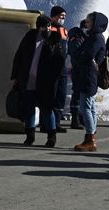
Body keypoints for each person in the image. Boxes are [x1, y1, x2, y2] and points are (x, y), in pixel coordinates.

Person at [11, 14, 68, 147]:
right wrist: (15, 76)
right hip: (28, 78)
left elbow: (60, 60)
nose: (47, 28)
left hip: (45, 81)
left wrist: (54, 79)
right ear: (38, 27)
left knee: (47, 109)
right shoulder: (30, 37)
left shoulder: (55, 39)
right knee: (29, 108)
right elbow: (19, 56)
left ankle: (51, 136)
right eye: (44, 26)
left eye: (49, 26)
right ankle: (30, 136)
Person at [71, 12, 108, 152]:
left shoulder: (96, 38)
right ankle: (92, 134)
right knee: (90, 106)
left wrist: (79, 55)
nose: (86, 23)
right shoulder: (93, 37)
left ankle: (90, 138)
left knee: (85, 107)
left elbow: (87, 55)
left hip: (88, 76)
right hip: (88, 75)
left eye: (89, 21)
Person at [49, 6, 71, 133]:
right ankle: (48, 122)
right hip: (51, 67)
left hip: (62, 67)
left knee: (61, 95)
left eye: (64, 16)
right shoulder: (49, 29)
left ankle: (56, 122)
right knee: (51, 95)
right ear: (54, 16)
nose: (63, 18)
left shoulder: (64, 31)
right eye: (61, 16)